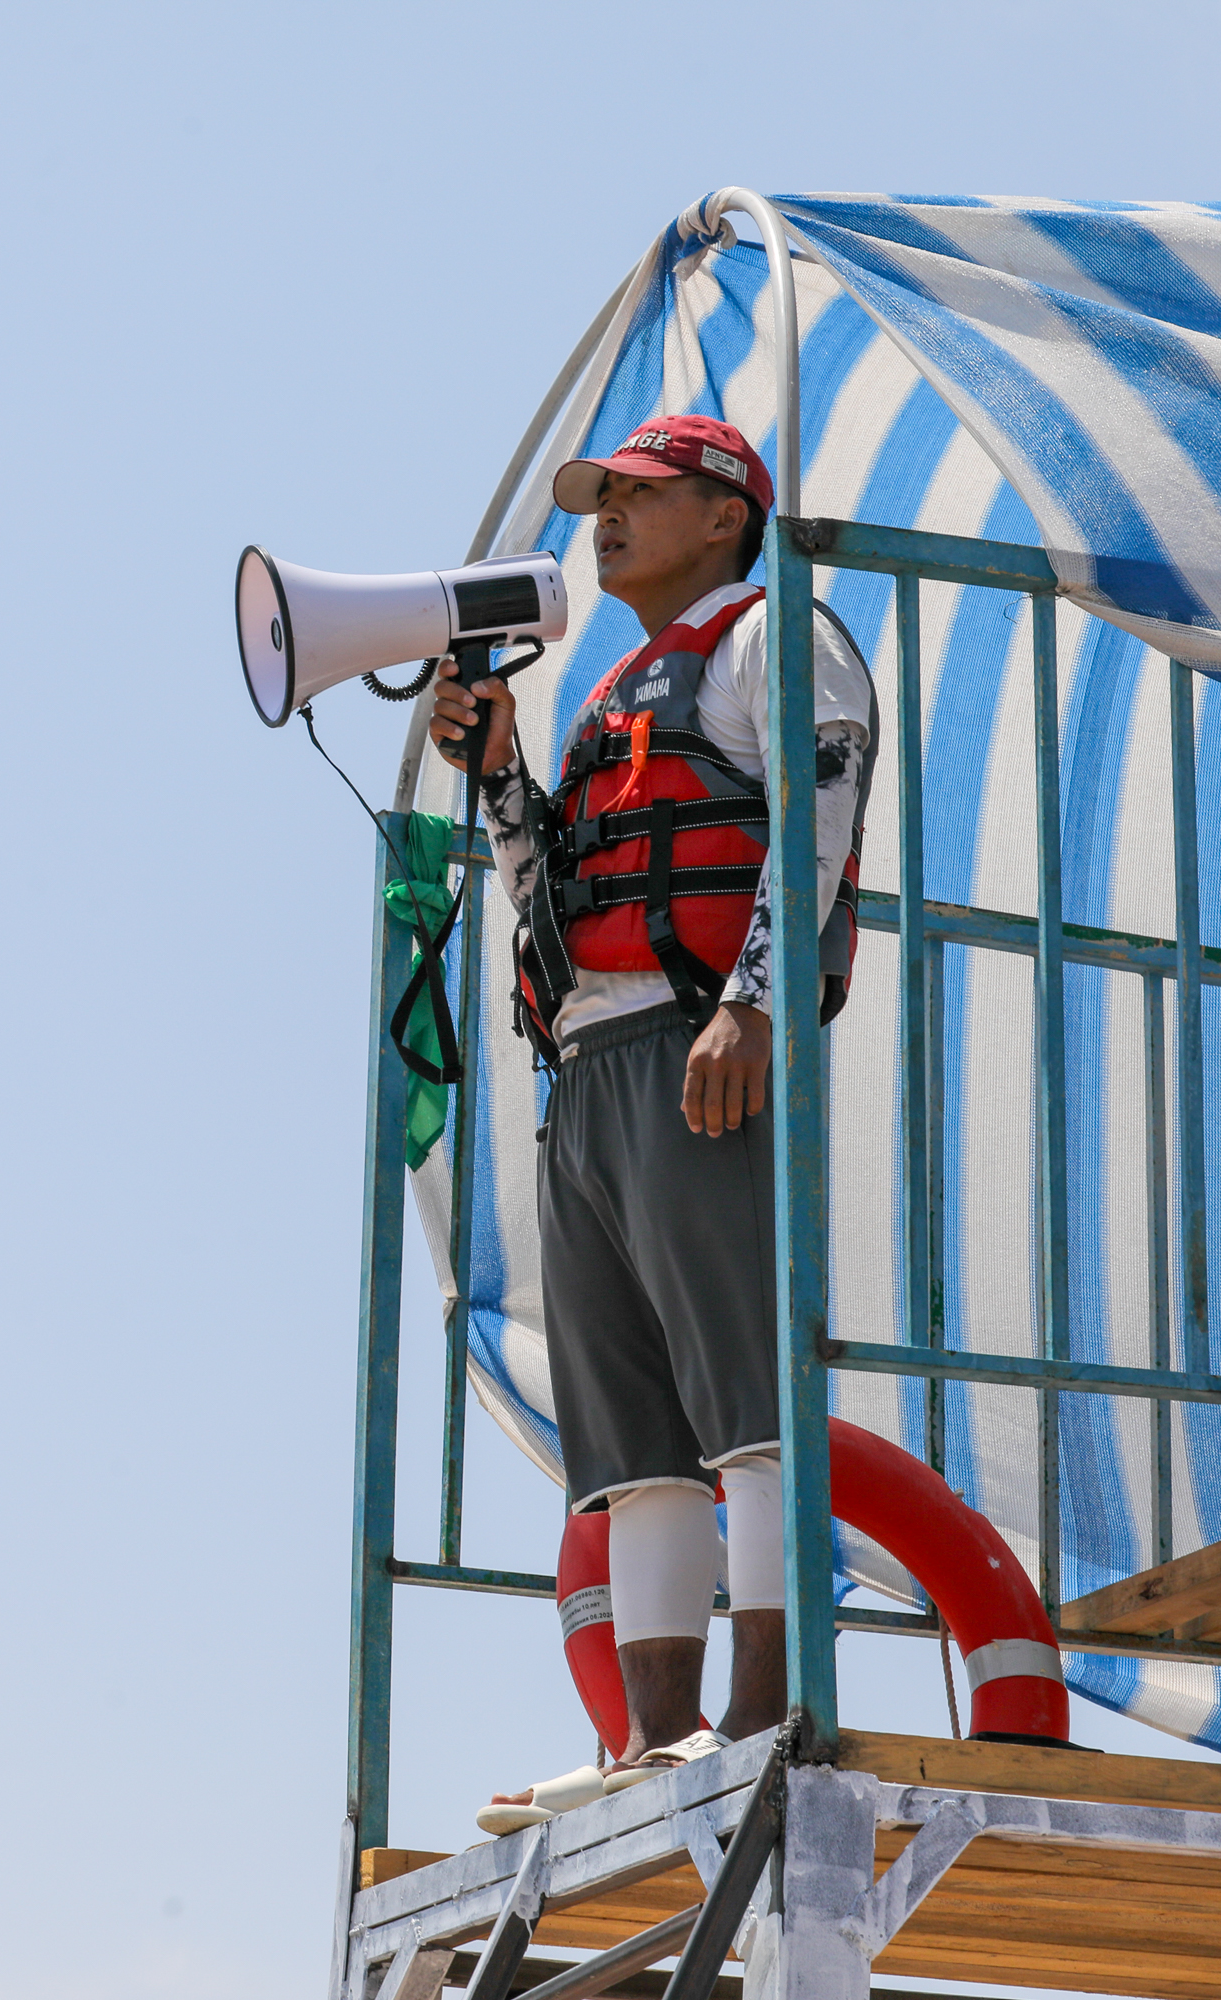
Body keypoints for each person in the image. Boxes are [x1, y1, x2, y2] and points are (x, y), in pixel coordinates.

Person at [429, 415, 875, 1834]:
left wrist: (751, 1005)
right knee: (631, 1437)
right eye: (599, 497)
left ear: (725, 513)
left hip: (702, 1047)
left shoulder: (773, 635)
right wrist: (501, 777)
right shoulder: (612, 689)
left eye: (638, 492)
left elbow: (818, 822)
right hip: (588, 1069)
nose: (606, 516)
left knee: (745, 1396)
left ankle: (763, 1713)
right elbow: (549, 890)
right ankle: (656, 1738)